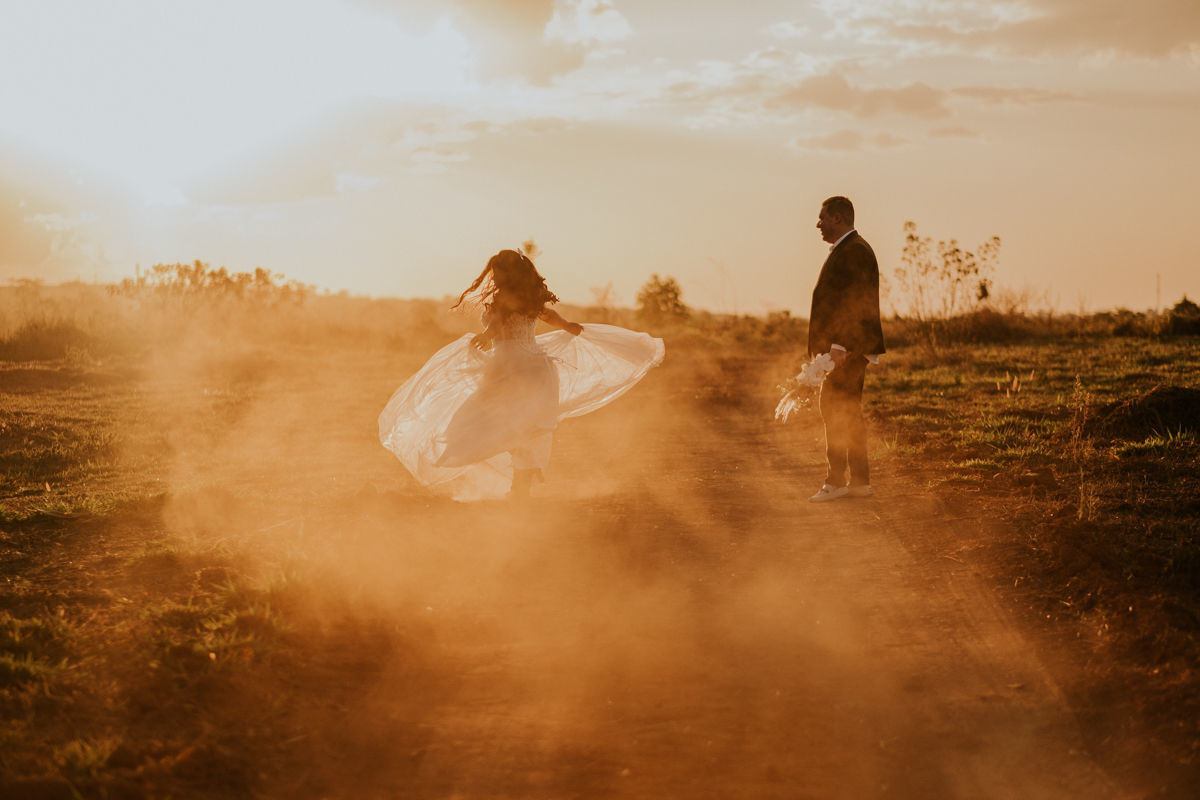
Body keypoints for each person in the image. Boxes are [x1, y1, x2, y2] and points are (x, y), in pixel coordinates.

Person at [378, 247, 665, 501]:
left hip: (509, 367)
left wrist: (486, 335)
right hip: (537, 367)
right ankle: (521, 488)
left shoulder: (505, 298)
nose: (494, 277)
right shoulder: (531, 297)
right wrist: (567, 326)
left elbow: (501, 322)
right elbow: (546, 316)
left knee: (491, 422)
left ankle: (517, 485)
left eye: (497, 272)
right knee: (527, 427)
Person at [806, 196, 885, 502]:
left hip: (846, 349)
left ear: (837, 218)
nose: (818, 224)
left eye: (822, 218)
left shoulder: (854, 251)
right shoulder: (850, 249)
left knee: (836, 411)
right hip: (845, 347)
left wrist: (839, 346)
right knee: (846, 412)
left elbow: (855, 301)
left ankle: (837, 481)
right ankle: (859, 482)